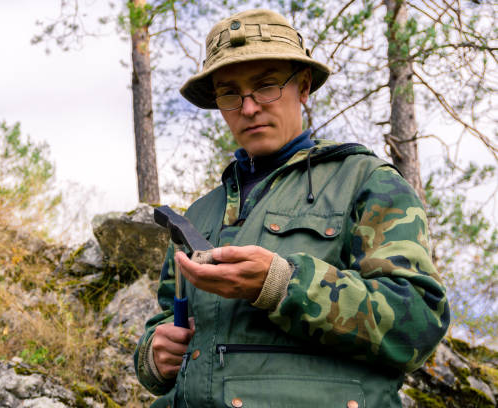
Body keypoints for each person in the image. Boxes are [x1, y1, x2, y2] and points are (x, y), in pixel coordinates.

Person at [134, 8, 449, 408]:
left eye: (266, 86)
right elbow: (166, 321)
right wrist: (153, 356)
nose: (248, 108)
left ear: (302, 87)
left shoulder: (364, 181)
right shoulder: (199, 214)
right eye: (230, 93)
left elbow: (417, 325)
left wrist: (283, 284)